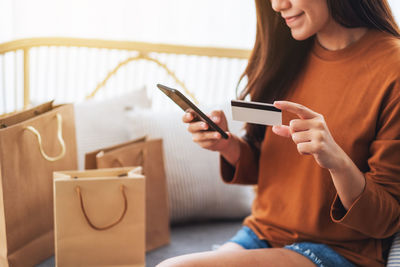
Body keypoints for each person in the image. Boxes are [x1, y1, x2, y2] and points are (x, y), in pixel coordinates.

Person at [157, 0, 400, 266]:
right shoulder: (287, 52)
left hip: (339, 251)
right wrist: (228, 146)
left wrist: (336, 161)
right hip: (261, 233)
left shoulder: (392, 68)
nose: (277, 5)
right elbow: (275, 168)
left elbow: (384, 220)